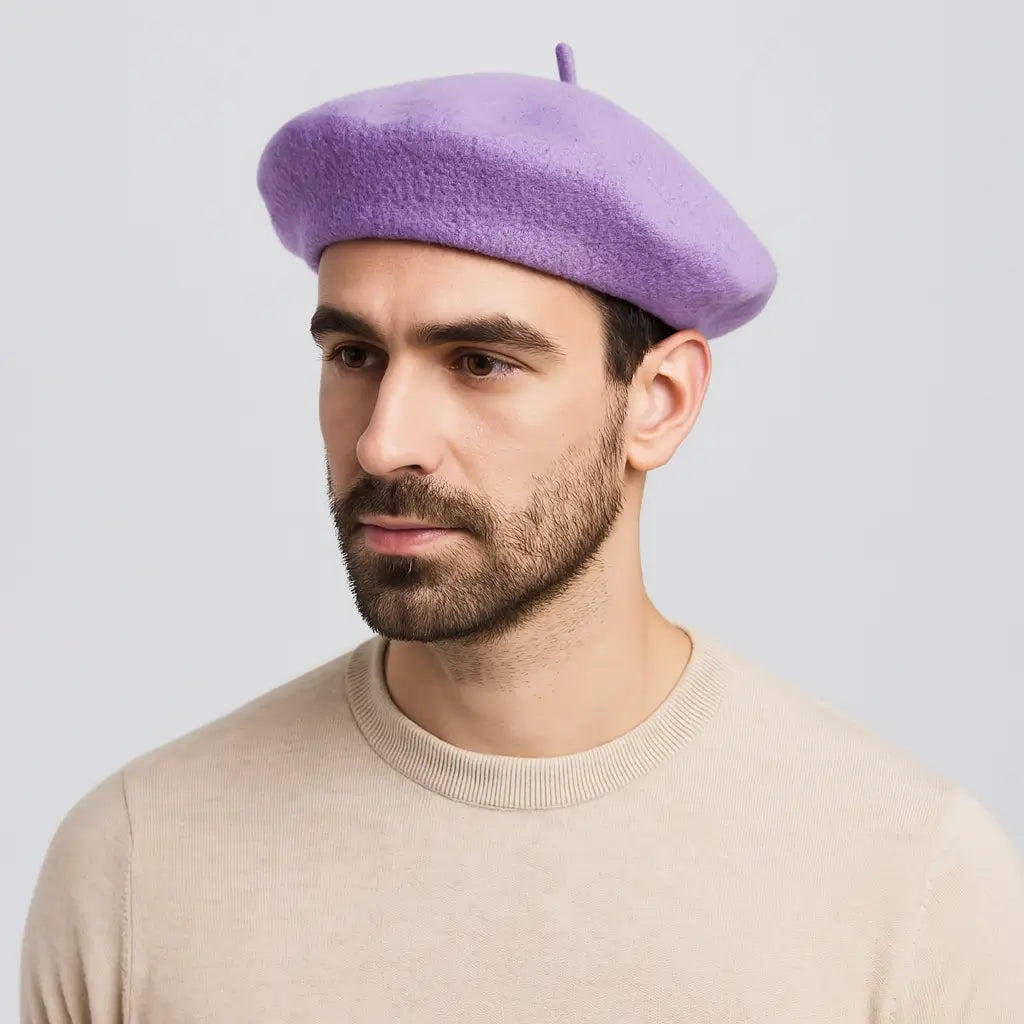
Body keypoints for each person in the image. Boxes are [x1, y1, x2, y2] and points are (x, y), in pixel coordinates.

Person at [20, 42, 1023, 1024]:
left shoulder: (909, 883)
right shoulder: (136, 864)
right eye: (356, 353)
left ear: (658, 402)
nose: (383, 443)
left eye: (480, 361)